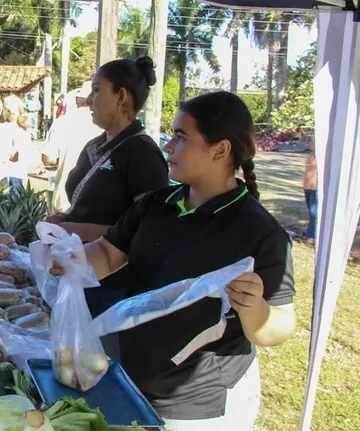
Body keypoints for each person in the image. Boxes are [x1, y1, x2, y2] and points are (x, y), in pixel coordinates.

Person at [58, 91, 295, 428]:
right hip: (135, 380)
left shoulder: (259, 232)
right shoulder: (157, 203)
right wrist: (71, 261)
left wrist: (255, 308)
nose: (168, 147)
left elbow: (279, 327)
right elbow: (110, 253)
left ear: (221, 149)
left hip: (200, 404)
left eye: (181, 138)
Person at [46, 58, 169, 339]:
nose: (89, 100)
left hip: (112, 286)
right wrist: (66, 220)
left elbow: (147, 230)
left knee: (95, 360)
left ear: (121, 96)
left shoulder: (142, 152)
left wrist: (73, 229)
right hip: (79, 273)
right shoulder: (97, 145)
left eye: (97, 90)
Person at [43, 84, 98, 213]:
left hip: (64, 198)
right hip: (94, 202)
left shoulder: (62, 122)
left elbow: (48, 159)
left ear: (77, 100)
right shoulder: (104, 125)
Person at [303, 139, 317, 241]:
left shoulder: (323, 158)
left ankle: (311, 235)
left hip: (315, 188)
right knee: (310, 210)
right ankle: (310, 232)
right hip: (307, 186)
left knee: (314, 212)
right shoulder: (311, 156)